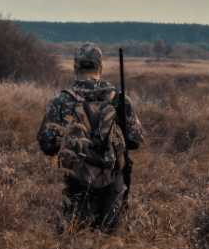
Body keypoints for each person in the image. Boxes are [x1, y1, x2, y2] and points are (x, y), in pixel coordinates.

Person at [37, 43, 145, 234]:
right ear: (101, 69)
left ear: (74, 68)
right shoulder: (119, 100)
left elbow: (47, 146)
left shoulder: (62, 101)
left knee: (70, 244)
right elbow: (135, 140)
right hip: (113, 188)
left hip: (77, 187)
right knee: (110, 248)